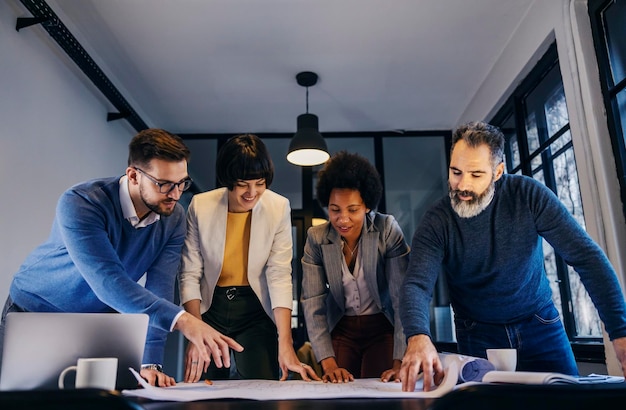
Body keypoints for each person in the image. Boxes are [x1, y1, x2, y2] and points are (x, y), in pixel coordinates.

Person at [0, 128, 243, 387]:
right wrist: (184, 321)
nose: (175, 194)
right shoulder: (82, 202)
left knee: (94, 404)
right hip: (35, 311)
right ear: (133, 175)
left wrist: (150, 363)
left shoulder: (173, 219)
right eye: (164, 184)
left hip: (96, 323)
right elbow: (108, 282)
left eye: (182, 183)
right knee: (18, 404)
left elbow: (159, 289)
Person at [398, 121, 626, 392]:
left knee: (569, 404)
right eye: (456, 172)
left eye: (476, 174)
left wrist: (620, 331)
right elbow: (417, 284)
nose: (462, 186)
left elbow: (586, 257)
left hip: (539, 322)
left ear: (498, 172)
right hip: (477, 331)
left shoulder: (529, 196)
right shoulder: (437, 221)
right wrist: (418, 335)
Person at [178, 134, 319, 382]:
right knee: (205, 390)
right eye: (243, 183)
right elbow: (190, 273)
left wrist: (285, 343)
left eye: (260, 183)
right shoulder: (200, 206)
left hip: (255, 310)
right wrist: (195, 334)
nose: (252, 193)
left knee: (262, 387)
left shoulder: (278, 207)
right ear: (228, 179)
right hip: (210, 309)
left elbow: (279, 275)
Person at [301, 151, 410, 383]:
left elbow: (403, 298)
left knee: (379, 392)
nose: (343, 219)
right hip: (342, 329)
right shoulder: (316, 238)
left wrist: (400, 361)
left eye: (353, 210)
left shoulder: (386, 229)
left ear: (367, 206)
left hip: (382, 328)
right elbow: (313, 302)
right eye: (334, 210)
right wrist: (327, 362)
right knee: (338, 393)